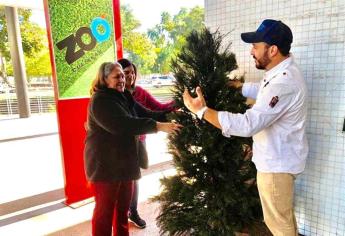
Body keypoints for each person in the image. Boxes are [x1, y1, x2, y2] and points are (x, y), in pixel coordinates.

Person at [183, 19, 308, 236]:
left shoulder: (284, 82)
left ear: (273, 50)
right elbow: (264, 89)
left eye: (255, 46)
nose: (251, 51)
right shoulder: (281, 72)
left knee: (280, 226)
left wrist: (202, 111)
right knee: (283, 220)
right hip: (278, 162)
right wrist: (240, 88)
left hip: (276, 167)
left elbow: (248, 124)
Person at [84, 62, 181, 236]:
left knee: (122, 211)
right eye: (117, 76)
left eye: (123, 75)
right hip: (104, 166)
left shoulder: (125, 96)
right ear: (104, 79)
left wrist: (173, 113)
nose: (123, 79)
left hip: (125, 163)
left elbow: (147, 113)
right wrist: (158, 126)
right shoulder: (100, 100)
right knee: (104, 213)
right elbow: (122, 125)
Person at [117, 58, 175, 229]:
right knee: (126, 179)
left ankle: (131, 210)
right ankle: (127, 210)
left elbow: (157, 110)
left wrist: (178, 101)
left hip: (139, 141)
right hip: (121, 146)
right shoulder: (114, 98)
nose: (130, 76)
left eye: (132, 72)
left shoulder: (139, 93)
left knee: (135, 178)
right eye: (125, 73)